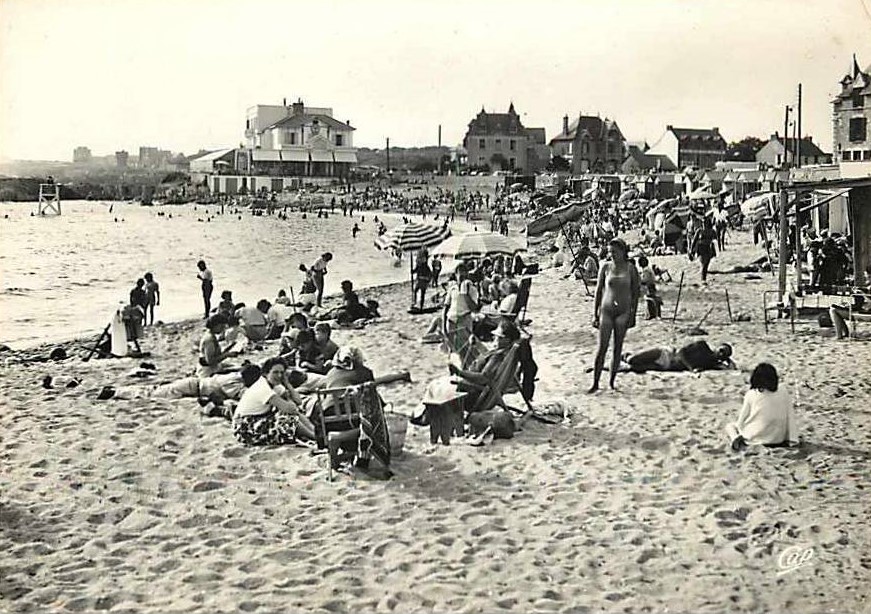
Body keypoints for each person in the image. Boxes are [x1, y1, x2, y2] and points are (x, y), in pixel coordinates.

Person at [589, 238, 640, 392]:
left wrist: (633, 314)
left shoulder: (630, 268)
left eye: (615, 252)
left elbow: (636, 293)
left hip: (623, 311)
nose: (612, 255)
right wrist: (595, 314)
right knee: (602, 347)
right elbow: (598, 291)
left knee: (617, 347)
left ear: (623, 252)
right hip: (606, 309)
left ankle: (611, 382)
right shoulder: (605, 267)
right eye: (610, 252)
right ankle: (595, 383)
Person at [233, 357, 317, 446]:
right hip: (244, 427)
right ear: (265, 374)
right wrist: (288, 399)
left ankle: (316, 432)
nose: (279, 376)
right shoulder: (262, 387)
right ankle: (314, 436)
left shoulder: (275, 385)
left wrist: (287, 384)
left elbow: (298, 401)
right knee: (288, 418)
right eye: (275, 372)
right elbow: (290, 409)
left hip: (260, 419)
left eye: (282, 373)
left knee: (295, 412)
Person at [726, 363, 797, 450]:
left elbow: (741, 421)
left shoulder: (751, 394)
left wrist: (742, 430)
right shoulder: (783, 391)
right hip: (778, 438)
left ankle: (735, 440)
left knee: (730, 426)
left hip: (756, 438)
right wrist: (792, 439)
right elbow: (790, 416)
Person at [623, 341, 733, 373]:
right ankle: (623, 356)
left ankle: (612, 365)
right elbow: (681, 352)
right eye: (721, 350)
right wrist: (691, 368)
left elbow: (732, 368)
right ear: (717, 346)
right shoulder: (702, 346)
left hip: (668, 366)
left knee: (635, 367)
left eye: (724, 354)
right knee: (632, 360)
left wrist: (727, 359)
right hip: (667, 354)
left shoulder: (711, 363)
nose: (721, 353)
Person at [691, 218, 717, 283]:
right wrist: (691, 249)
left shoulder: (712, 231)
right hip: (701, 248)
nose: (704, 224)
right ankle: (703, 279)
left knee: (706, 264)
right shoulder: (699, 231)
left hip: (708, 248)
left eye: (705, 223)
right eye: (702, 223)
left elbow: (715, 241)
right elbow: (694, 240)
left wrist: (715, 250)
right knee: (703, 263)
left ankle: (703, 278)